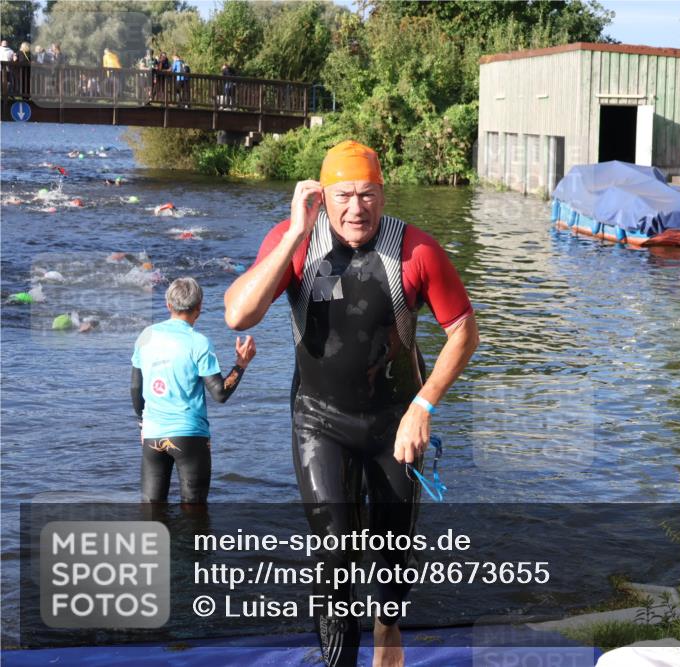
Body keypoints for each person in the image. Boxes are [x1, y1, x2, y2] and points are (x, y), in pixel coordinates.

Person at [224, 141, 479, 667]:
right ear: (322, 195)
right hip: (320, 420)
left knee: (391, 550)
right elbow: (238, 316)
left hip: (396, 421)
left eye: (367, 195)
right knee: (334, 553)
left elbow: (464, 333)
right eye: (343, 196)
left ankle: (388, 626)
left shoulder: (415, 251)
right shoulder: (296, 243)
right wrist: (295, 229)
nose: (355, 209)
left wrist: (423, 406)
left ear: (383, 195)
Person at [132, 277, 256, 504]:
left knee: (151, 512)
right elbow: (220, 393)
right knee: (195, 513)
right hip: (189, 436)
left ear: (168, 305)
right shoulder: (199, 342)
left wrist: (143, 423)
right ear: (199, 308)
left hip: (152, 434)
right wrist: (241, 365)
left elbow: (135, 388)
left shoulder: (145, 336)